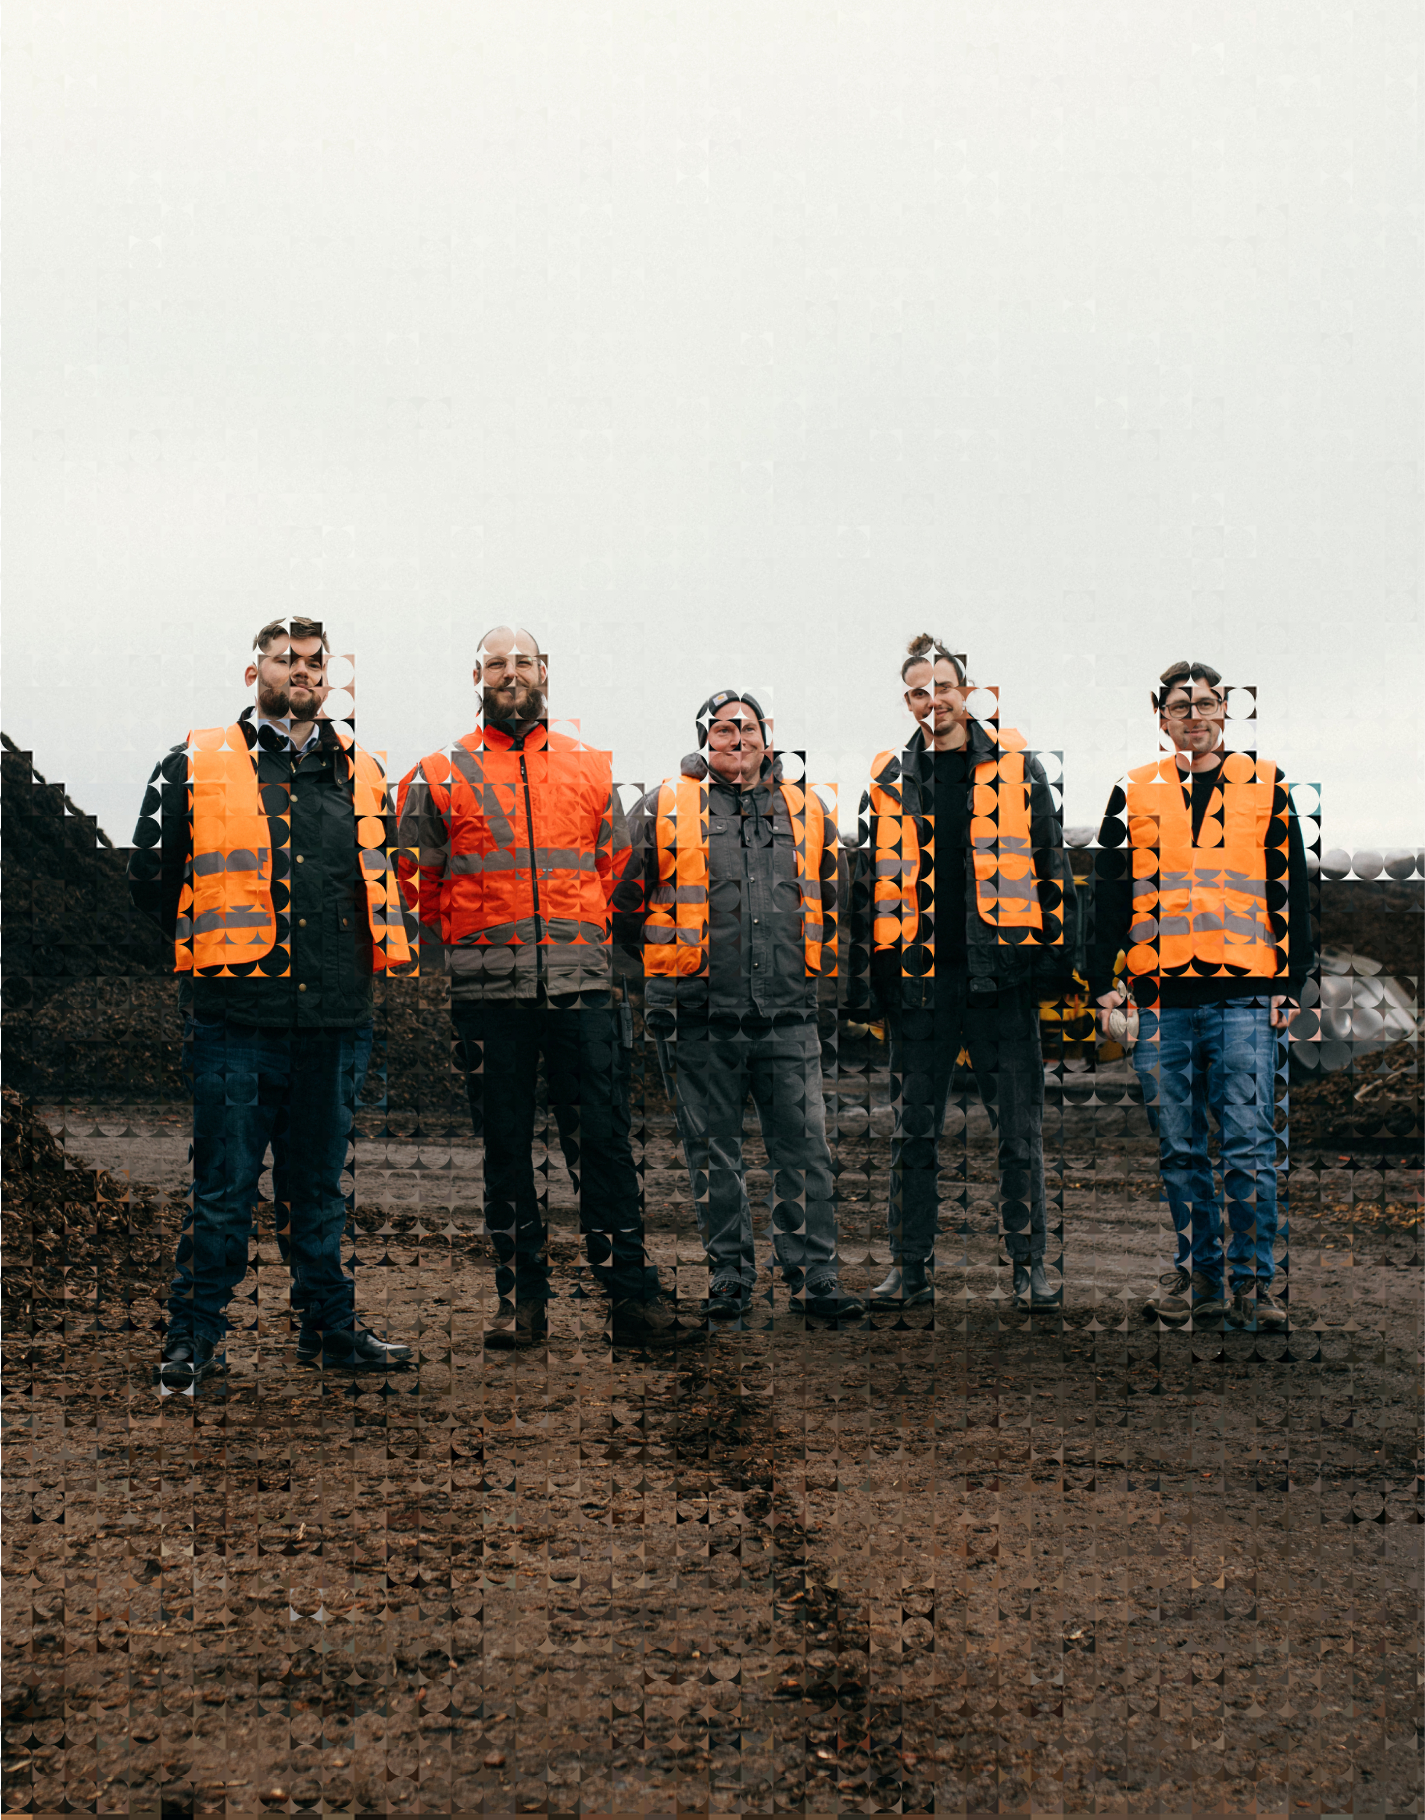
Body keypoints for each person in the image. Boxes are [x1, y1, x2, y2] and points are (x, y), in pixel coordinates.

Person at [129, 618, 415, 1388]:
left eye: (316, 662)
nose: (302, 671)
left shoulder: (362, 770)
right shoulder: (191, 764)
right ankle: (193, 1341)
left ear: (332, 677)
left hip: (333, 1021)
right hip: (235, 1022)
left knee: (316, 1192)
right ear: (252, 671)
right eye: (285, 659)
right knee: (222, 1192)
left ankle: (329, 1332)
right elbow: (152, 879)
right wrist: (220, 958)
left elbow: (384, 876)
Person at [396, 626, 691, 1352]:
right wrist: (473, 952)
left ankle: (631, 1302)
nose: (510, 673)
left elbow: (617, 876)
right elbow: (416, 887)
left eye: (522, 661)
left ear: (545, 671)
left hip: (583, 993)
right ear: (476, 675)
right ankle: (520, 1303)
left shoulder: (592, 769)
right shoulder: (437, 773)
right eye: (497, 663)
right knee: (504, 1151)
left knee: (604, 1148)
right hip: (487, 999)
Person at [613, 692, 865, 1327]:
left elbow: (837, 902)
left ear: (767, 738)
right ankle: (729, 1274)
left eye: (746, 727)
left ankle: (815, 1277)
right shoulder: (665, 806)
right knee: (712, 1153)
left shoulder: (809, 811)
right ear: (705, 740)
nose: (736, 737)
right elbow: (623, 904)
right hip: (698, 1017)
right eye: (721, 729)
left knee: (805, 1149)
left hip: (787, 1015)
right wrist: (668, 967)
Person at [854, 634, 1078, 1312]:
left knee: (1018, 1131)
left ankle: (1027, 1268)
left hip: (999, 982)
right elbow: (866, 889)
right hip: (919, 986)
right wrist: (871, 984)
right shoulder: (887, 780)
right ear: (907, 701)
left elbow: (1052, 869)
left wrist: (1052, 968)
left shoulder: (1018, 769)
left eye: (943, 687)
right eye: (919, 692)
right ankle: (909, 1268)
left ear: (965, 691)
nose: (933, 701)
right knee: (912, 1132)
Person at [1089, 660, 1316, 1331]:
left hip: (1246, 996)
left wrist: (1292, 983)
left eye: (1207, 702)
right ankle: (1201, 1279)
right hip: (1158, 999)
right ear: (1159, 718)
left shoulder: (1267, 786)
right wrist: (1102, 982)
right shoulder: (1131, 793)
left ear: (1227, 712)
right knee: (1180, 1149)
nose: (1195, 714)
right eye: (1180, 705)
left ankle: (1258, 1285)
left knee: (1247, 1143)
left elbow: (1293, 889)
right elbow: (1104, 893)